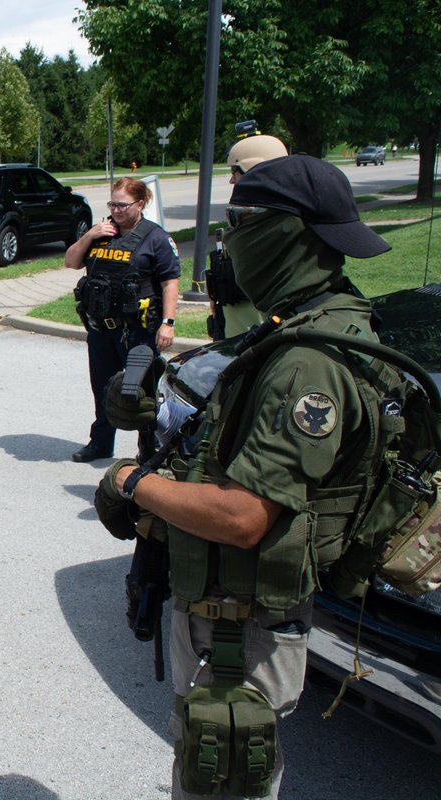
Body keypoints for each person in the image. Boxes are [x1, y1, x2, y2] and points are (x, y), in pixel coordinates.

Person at [99, 154, 393, 799]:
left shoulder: (306, 364)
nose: (229, 241)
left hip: (240, 625)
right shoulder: (303, 324)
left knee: (220, 780)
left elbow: (244, 516)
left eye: (242, 223)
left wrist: (131, 483)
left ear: (287, 233)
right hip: (229, 610)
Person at [64, 176, 180, 462]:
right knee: (102, 388)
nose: (116, 210)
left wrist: (168, 322)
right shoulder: (101, 233)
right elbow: (71, 261)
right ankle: (101, 443)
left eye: (123, 205)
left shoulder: (155, 237)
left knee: (139, 392)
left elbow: (169, 282)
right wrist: (90, 235)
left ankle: (148, 448)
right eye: (112, 204)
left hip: (138, 330)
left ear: (140, 204)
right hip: (101, 329)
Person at [206, 135, 290, 339]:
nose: (231, 179)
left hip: (266, 339)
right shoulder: (246, 216)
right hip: (236, 334)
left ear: (254, 170)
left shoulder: (283, 223)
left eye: (235, 171)